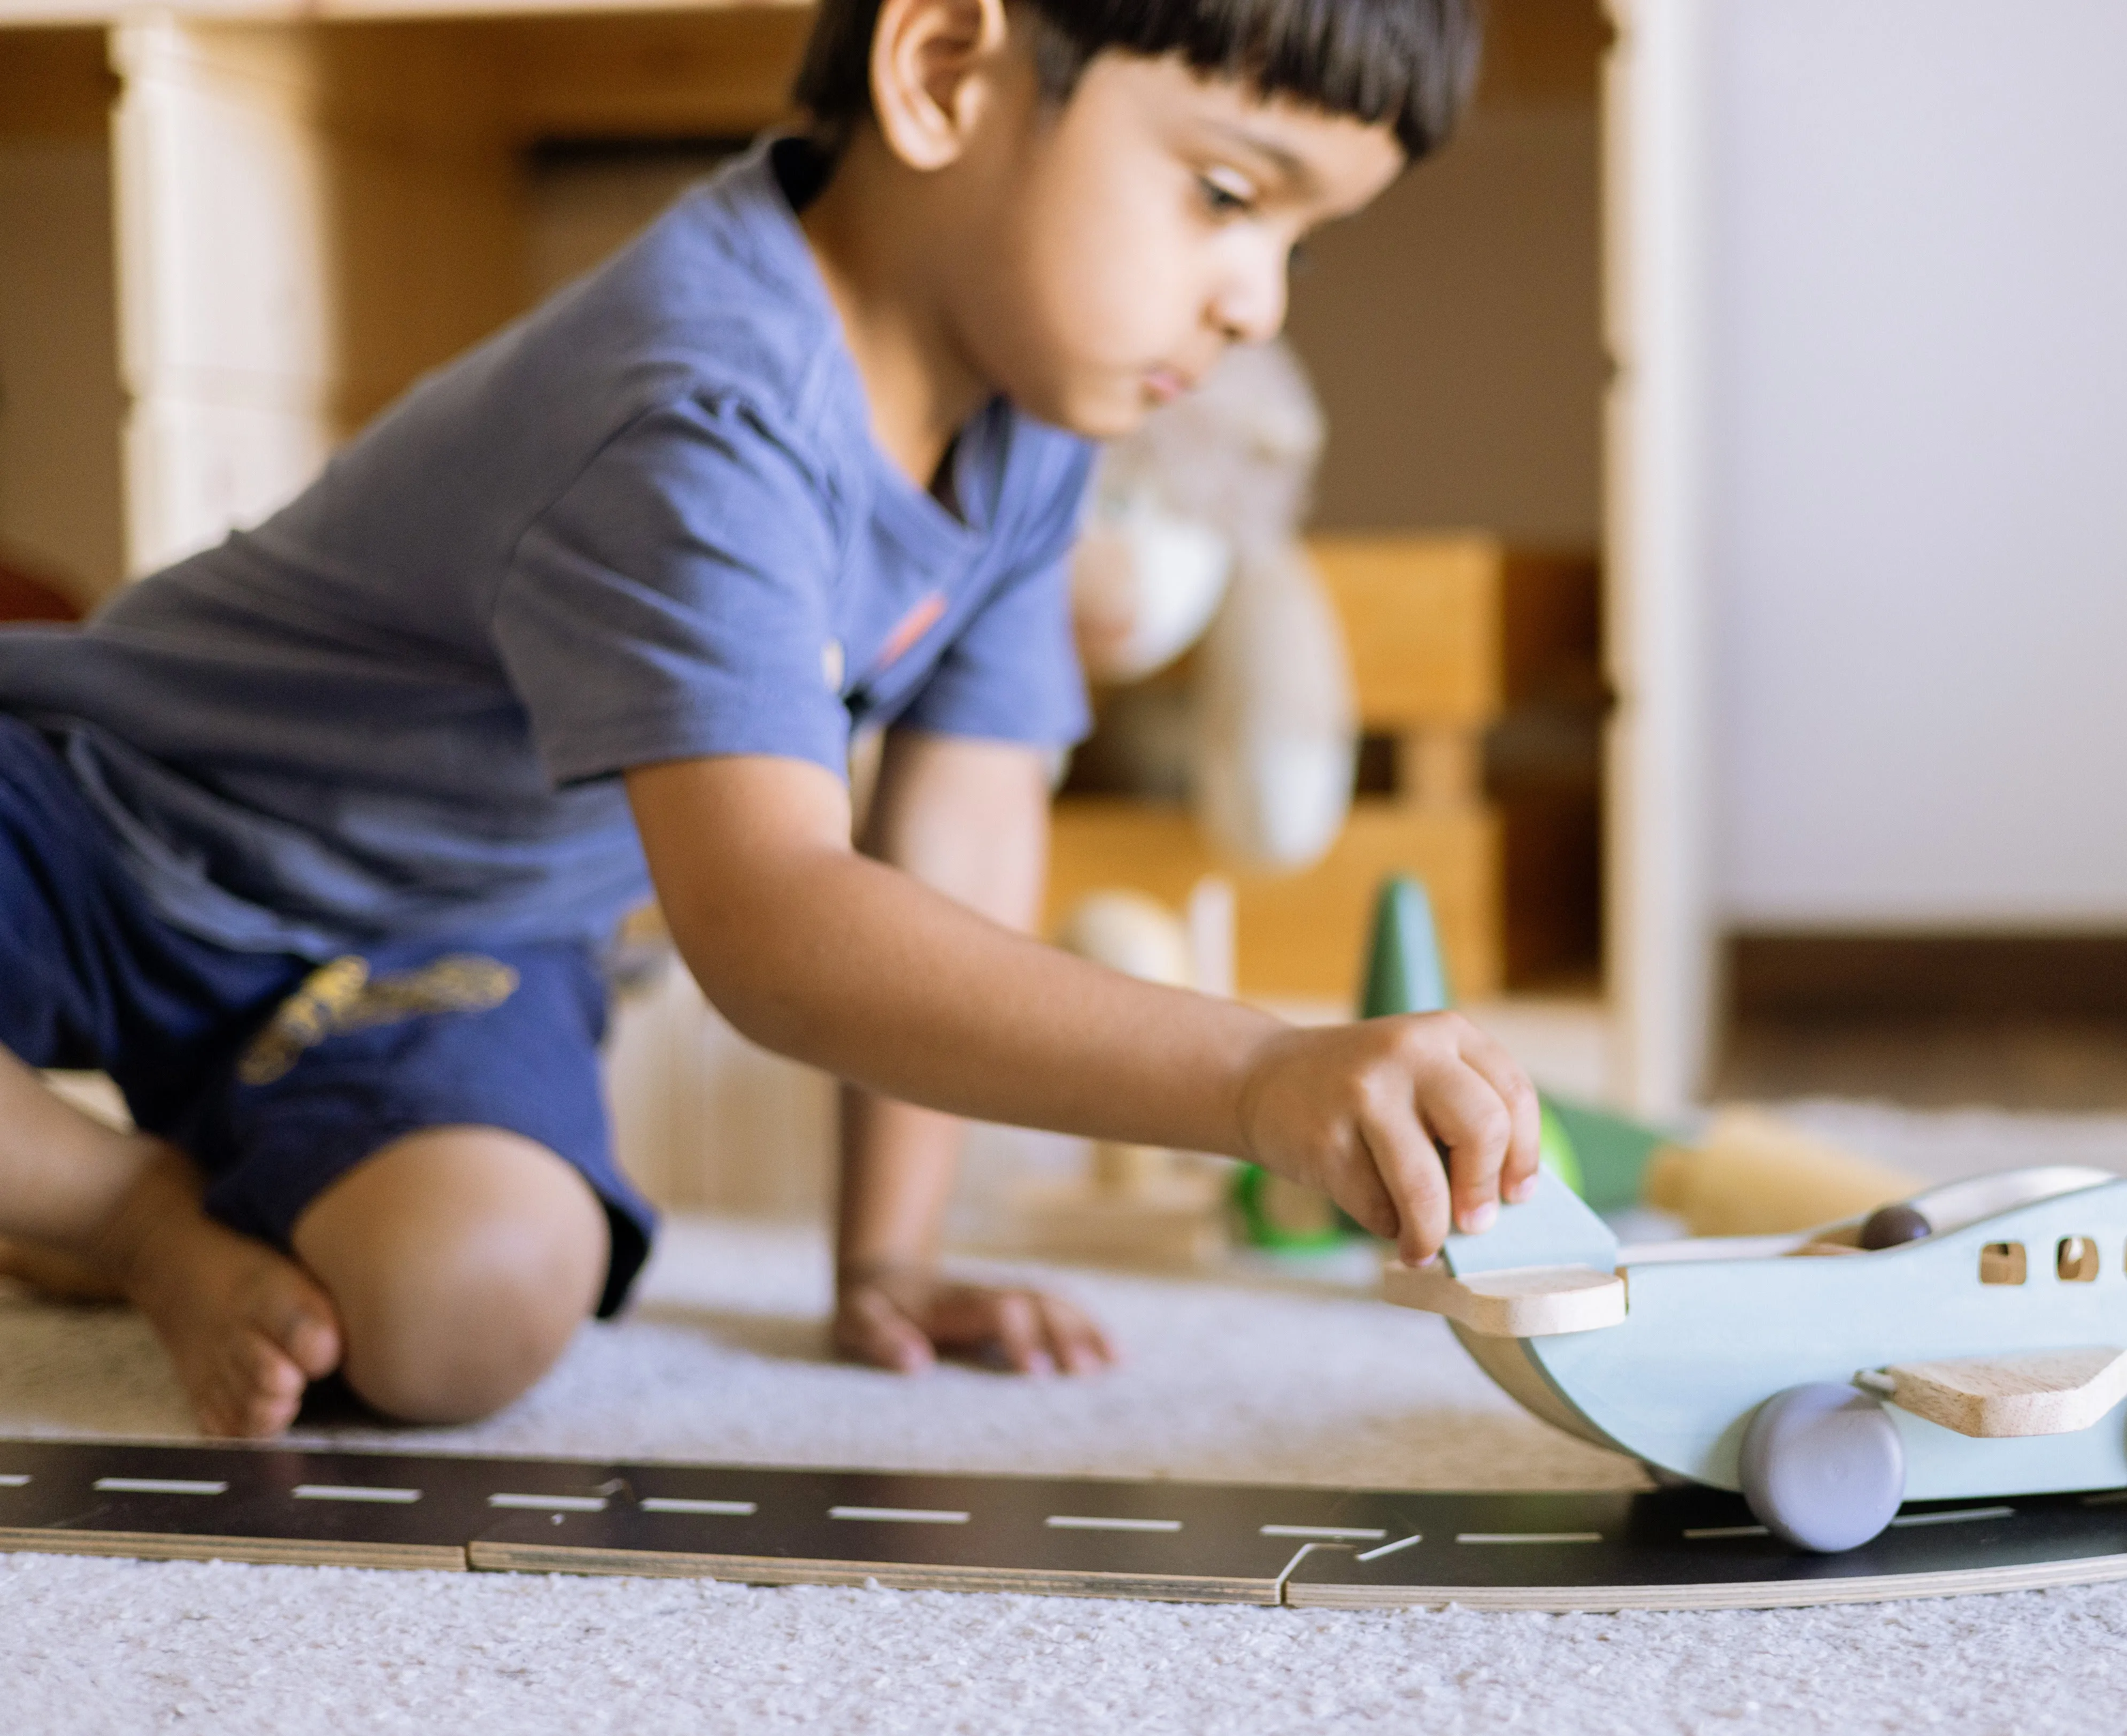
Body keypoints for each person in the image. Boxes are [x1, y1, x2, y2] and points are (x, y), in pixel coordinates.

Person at [0, 0, 1538, 1440]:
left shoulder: (1036, 416)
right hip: (96, 817)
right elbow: (770, 917)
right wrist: (1263, 1076)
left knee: (466, 1307)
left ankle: (132, 1192)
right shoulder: (697, 400)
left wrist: (885, 1258)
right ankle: (119, 1211)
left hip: (441, 942)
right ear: (942, 70)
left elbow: (964, 824)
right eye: (1223, 194)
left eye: (1302, 246)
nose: (1257, 302)